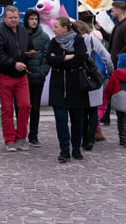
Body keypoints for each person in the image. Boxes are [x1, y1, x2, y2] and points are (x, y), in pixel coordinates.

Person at [46, 17, 89, 163]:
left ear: (65, 28)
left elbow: (80, 59)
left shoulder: (78, 41)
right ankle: (64, 150)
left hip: (76, 87)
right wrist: (65, 59)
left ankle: (76, 148)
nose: (54, 29)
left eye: (57, 26)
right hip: (58, 87)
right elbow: (48, 59)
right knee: (61, 119)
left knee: (77, 120)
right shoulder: (53, 42)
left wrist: (59, 60)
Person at [0, 5, 31, 152]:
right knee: (7, 109)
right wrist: (14, 64)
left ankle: (21, 137)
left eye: (16, 17)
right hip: (4, 75)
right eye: (11, 18)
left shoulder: (24, 31)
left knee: (25, 105)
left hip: (21, 75)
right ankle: (9, 139)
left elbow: (27, 48)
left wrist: (30, 55)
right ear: (4, 18)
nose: (14, 20)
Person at [74, 19, 112, 151]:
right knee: (93, 110)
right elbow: (107, 57)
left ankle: (83, 138)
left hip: (79, 78)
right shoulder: (92, 40)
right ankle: (90, 139)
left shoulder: (73, 41)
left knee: (83, 111)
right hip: (95, 78)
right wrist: (110, 72)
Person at [103, 0, 126, 126]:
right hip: (117, 64)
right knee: (114, 90)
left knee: (125, 91)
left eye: (112, 10)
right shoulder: (119, 25)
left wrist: (119, 57)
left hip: (123, 65)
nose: (111, 12)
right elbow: (112, 40)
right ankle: (106, 117)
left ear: (118, 11)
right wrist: (100, 30)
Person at [24, 9, 49, 147]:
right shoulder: (20, 34)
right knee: (22, 107)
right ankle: (20, 133)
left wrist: (41, 73)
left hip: (37, 78)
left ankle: (33, 135)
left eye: (36, 19)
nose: (34, 22)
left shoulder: (44, 37)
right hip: (22, 76)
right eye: (31, 19)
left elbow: (47, 57)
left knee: (35, 107)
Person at [104, 53, 126, 148]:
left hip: (118, 100)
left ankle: (121, 138)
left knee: (120, 119)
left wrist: (108, 99)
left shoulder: (115, 74)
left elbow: (109, 88)